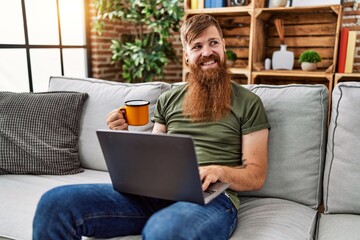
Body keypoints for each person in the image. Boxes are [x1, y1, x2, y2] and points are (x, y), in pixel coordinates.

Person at [33, 14, 270, 240]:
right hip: (157, 193)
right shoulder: (169, 100)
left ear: (224, 47)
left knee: (164, 230)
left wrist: (219, 171)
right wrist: (122, 134)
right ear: (186, 56)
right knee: (55, 202)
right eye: (197, 46)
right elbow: (153, 158)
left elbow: (256, 175)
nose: (207, 52)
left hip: (213, 199)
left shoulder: (248, 103)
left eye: (213, 43)